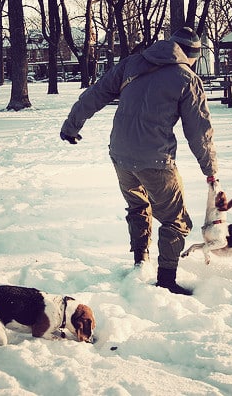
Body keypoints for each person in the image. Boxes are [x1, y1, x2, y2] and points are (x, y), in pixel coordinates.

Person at [60, 27, 217, 295]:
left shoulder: (132, 63)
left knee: (138, 205)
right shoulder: (186, 78)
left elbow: (96, 93)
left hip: (120, 155)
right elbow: (199, 131)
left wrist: (71, 126)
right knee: (175, 221)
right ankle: (166, 281)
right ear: (192, 53)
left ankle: (139, 261)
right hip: (156, 160)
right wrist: (210, 169)